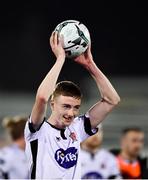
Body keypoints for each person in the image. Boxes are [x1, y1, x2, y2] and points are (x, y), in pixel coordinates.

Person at [24, 31, 120, 179]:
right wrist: (60, 59)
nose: (71, 113)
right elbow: (42, 97)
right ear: (53, 104)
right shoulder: (37, 130)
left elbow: (112, 100)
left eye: (76, 107)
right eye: (66, 106)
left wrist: (90, 65)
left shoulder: (76, 128)